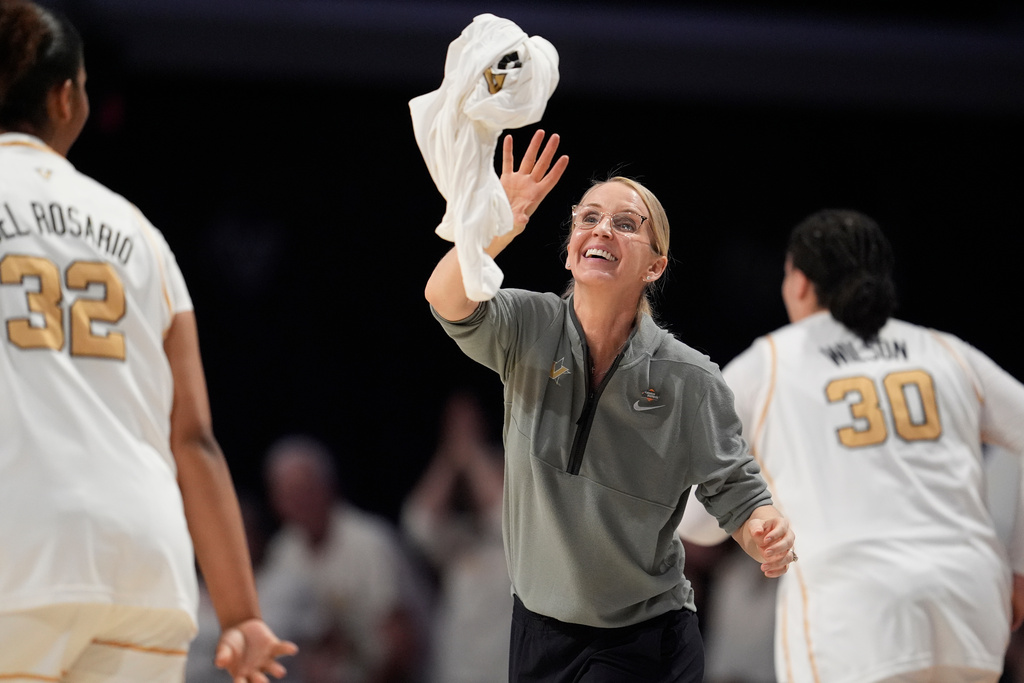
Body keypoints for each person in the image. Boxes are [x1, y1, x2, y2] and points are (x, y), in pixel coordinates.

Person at [423, 128, 797, 682]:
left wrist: (765, 528)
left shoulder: (690, 378)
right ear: (571, 248)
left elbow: (736, 491)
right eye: (588, 218)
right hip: (537, 629)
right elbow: (445, 299)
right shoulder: (529, 326)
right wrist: (497, 222)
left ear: (655, 267)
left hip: (643, 640)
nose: (602, 229)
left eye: (626, 224)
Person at [0, 1, 297, 681]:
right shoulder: (139, 233)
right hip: (140, 565)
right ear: (67, 96)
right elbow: (192, 437)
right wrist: (243, 614)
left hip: (16, 551)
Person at [680, 209, 1024, 682]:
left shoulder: (772, 361)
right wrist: (1019, 563)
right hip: (968, 606)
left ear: (799, 282)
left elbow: (699, 522)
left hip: (854, 616)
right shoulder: (946, 352)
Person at [260, 435, 430, 683]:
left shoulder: (369, 542)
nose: (298, 502)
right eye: (287, 494)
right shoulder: (283, 552)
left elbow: (402, 643)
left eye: (305, 490)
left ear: (328, 486)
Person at [400, 390, 512, 683]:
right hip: (455, 667)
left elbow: (505, 516)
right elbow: (417, 527)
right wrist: (449, 459)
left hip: (505, 666)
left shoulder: (504, 473)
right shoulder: (454, 532)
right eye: (454, 428)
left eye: (469, 426)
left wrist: (473, 452)